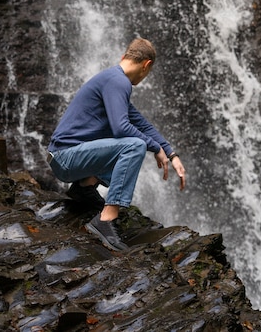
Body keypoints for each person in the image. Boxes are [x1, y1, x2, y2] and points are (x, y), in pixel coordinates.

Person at [47, 37, 186, 252]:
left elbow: (142, 124)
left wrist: (170, 152)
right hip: (66, 157)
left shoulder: (113, 80)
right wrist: (155, 148)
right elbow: (122, 129)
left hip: (66, 158)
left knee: (135, 141)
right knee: (134, 146)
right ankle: (105, 220)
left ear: (124, 56)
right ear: (146, 65)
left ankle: (84, 188)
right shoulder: (118, 82)